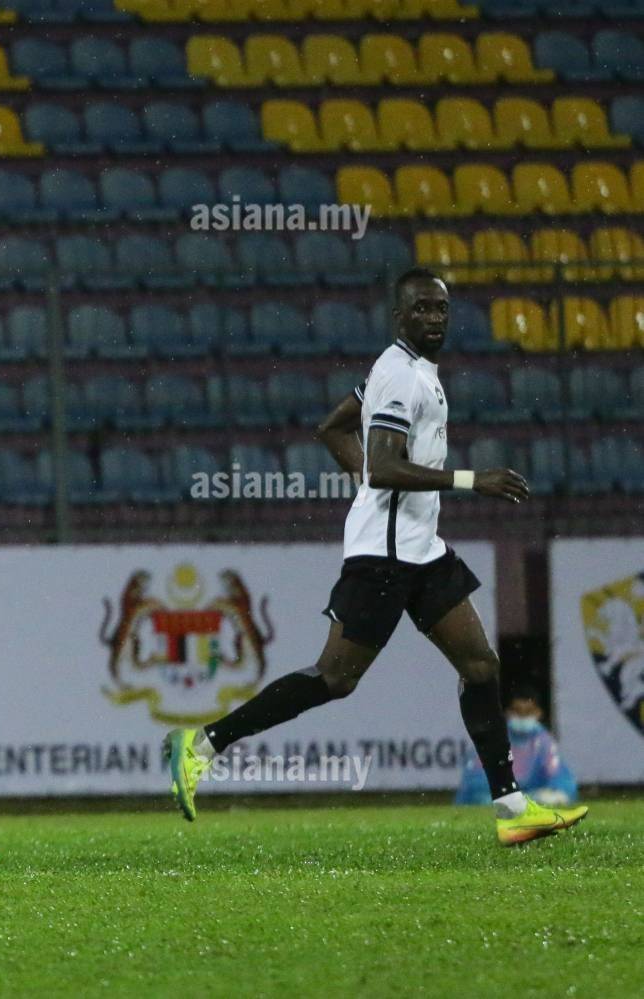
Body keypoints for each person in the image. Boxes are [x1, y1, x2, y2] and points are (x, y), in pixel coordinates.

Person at [162, 268, 589, 846]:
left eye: (441, 309)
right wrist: (469, 479)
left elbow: (333, 429)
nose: (434, 319)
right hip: (384, 557)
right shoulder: (398, 377)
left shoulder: (411, 373)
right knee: (335, 678)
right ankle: (204, 742)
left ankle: (512, 807)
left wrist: (366, 480)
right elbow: (385, 464)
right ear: (399, 317)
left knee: (481, 666)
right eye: (422, 310)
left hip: (421, 550)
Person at [455, 687, 579, 807]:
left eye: (528, 711)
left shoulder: (545, 743)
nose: (522, 716)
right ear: (507, 712)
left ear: (538, 712)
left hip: (534, 798)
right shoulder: (493, 739)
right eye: (517, 711)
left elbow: (561, 780)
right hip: (494, 800)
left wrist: (536, 796)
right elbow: (475, 783)